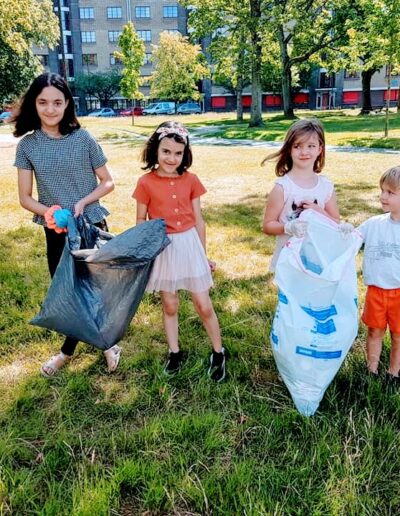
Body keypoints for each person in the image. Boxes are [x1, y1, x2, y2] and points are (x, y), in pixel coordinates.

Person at [13, 72, 121, 377]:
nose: (50, 109)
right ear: (34, 104)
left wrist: (83, 203)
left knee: (95, 288)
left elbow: (108, 181)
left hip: (90, 224)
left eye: (57, 102)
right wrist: (51, 212)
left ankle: (102, 345)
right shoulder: (28, 147)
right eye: (43, 102)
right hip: (57, 230)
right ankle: (75, 349)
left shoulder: (84, 138)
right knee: (67, 291)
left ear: (67, 104)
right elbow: (24, 197)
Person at [132, 121, 226, 381]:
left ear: (185, 154)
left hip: (189, 245)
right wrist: (146, 250)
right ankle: (174, 352)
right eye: (166, 151)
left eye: (178, 153)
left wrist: (203, 256)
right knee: (170, 304)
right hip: (163, 247)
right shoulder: (145, 182)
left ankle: (218, 351)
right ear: (155, 150)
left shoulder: (191, 180)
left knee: (203, 304)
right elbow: (140, 220)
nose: (172, 158)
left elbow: (199, 220)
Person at [262, 118, 340, 270]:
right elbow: (267, 225)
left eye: (311, 146)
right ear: (289, 149)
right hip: (289, 264)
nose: (304, 152)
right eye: (297, 146)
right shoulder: (283, 187)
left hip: (318, 261)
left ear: (320, 149)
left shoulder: (326, 186)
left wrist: (320, 211)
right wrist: (289, 227)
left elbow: (336, 222)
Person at [352, 166, 400, 383]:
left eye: (390, 192)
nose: (382, 196)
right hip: (376, 292)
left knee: (398, 337)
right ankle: (371, 371)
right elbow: (352, 239)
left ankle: (394, 374)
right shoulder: (373, 224)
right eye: (382, 190)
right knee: (374, 332)